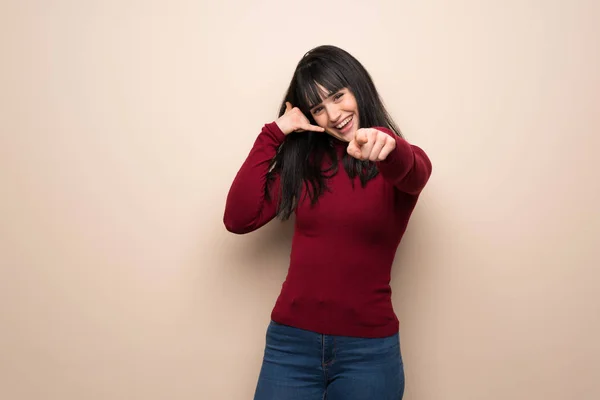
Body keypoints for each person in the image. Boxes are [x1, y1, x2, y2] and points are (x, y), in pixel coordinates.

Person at [223, 45, 432, 400]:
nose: (334, 115)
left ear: (358, 88)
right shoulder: (303, 166)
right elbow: (238, 219)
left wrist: (389, 145)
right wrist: (276, 131)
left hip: (368, 353)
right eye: (319, 108)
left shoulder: (395, 160)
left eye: (338, 96)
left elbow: (415, 172)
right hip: (290, 347)